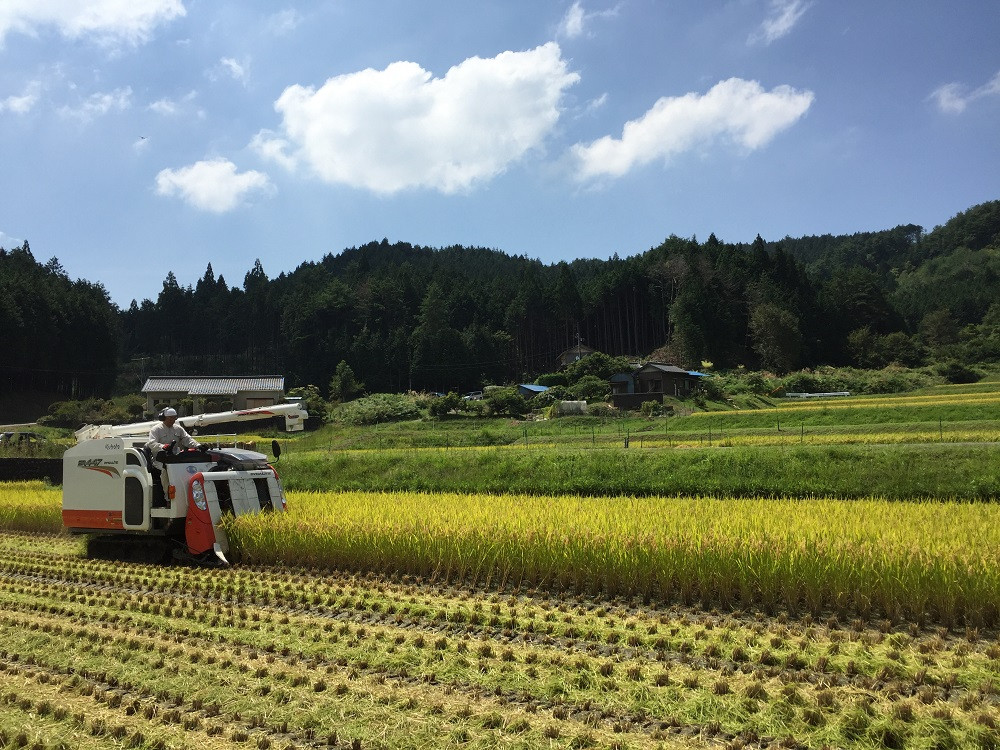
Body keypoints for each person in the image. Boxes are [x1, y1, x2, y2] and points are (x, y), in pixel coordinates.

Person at [146, 408, 203, 498]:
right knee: (166, 472)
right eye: (170, 418)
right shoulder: (156, 430)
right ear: (163, 418)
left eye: (174, 418)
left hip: (176, 459)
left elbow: (187, 439)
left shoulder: (178, 429)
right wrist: (163, 447)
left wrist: (198, 445)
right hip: (160, 460)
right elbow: (151, 443)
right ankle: (168, 497)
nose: (172, 420)